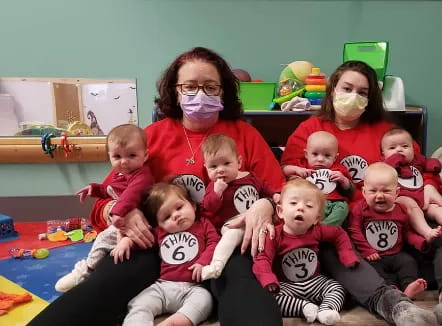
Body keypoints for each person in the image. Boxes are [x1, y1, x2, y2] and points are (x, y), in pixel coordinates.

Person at [28, 47, 285, 326]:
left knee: (247, 295)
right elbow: (104, 203)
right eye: (190, 86)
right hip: (157, 243)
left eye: (210, 87)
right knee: (100, 287)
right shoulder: (150, 137)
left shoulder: (245, 134)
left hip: (226, 243)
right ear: (175, 91)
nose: (200, 94)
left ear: (223, 91)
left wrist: (265, 205)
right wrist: (123, 212)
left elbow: (281, 194)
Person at [282, 60, 442, 325]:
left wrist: (428, 186)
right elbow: (291, 180)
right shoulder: (309, 130)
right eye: (347, 88)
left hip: (397, 214)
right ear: (333, 88)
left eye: (363, 92)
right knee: (333, 248)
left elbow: (421, 167)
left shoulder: (384, 131)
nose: (353, 97)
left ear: (372, 98)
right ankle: (397, 308)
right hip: (346, 220)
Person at [55, 124, 154, 292]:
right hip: (122, 221)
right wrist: (93, 189)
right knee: (106, 244)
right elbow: (109, 189)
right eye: (117, 156)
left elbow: (131, 194)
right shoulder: (121, 173)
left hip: (139, 224)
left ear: (145, 155)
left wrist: (117, 212)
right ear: (109, 156)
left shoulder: (142, 175)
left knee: (101, 240)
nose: (124, 161)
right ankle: (94, 269)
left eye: (131, 155)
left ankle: (87, 270)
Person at [253, 178, 359, 325]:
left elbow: (339, 234)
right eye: (293, 203)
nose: (300, 208)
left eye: (308, 206)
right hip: (287, 286)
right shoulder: (274, 235)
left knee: (338, 287)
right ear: (280, 211)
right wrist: (268, 279)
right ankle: (303, 307)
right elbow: (263, 258)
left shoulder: (317, 230)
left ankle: (325, 310)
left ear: (316, 218)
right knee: (267, 298)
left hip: (315, 282)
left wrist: (346, 254)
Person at [123, 182, 220, 326]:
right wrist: (127, 241)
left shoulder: (203, 224)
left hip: (193, 287)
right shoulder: (159, 232)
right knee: (138, 303)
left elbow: (214, 242)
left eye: (179, 207)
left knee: (205, 301)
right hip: (163, 286)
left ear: (192, 205)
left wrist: (203, 262)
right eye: (166, 217)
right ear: (159, 224)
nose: (175, 215)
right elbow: (142, 240)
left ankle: (176, 322)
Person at [199, 133, 279, 280]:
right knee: (233, 234)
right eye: (213, 166)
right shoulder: (213, 186)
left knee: (271, 235)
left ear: (239, 161)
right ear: (206, 168)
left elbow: (264, 188)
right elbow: (209, 207)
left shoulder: (251, 177)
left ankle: (268, 270)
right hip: (232, 223)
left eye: (226, 164)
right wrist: (217, 193)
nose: (220, 170)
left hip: (257, 220)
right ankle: (216, 265)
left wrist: (274, 195)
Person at [348, 162, 429, 300]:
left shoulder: (401, 210)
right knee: (373, 271)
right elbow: (354, 230)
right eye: (373, 191)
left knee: (408, 262)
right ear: (364, 192)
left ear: (397, 192)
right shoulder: (361, 210)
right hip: (373, 257)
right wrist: (367, 250)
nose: (379, 196)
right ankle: (391, 290)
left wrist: (420, 241)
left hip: (396, 254)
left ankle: (409, 286)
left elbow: (406, 233)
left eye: (386, 191)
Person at [381, 127, 442, 240]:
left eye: (405, 146)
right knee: (412, 207)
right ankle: (427, 231)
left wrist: (434, 165)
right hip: (402, 198)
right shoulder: (384, 164)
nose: (399, 150)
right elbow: (381, 174)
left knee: (436, 208)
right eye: (392, 148)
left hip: (423, 197)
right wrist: (395, 160)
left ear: (413, 148)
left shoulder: (417, 160)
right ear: (383, 153)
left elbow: (429, 163)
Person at [282, 131, 353, 226]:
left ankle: (324, 228)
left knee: (343, 208)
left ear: (335, 158)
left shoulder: (338, 169)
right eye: (315, 154)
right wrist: (296, 170)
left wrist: (343, 180)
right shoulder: (303, 166)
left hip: (332, 203)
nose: (320, 159)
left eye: (327, 155)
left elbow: (351, 192)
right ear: (306, 154)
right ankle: (310, 228)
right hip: (306, 203)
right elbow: (282, 170)